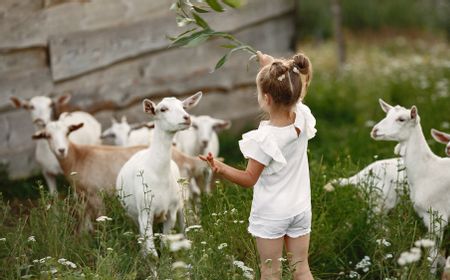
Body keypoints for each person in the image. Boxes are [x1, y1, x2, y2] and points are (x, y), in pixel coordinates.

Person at [199, 51, 316, 279]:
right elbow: (292, 93)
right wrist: (270, 65)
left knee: (271, 272)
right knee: (301, 269)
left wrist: (220, 168)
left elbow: (248, 178)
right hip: (300, 209)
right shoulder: (301, 116)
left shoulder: (265, 139)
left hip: (272, 213)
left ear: (267, 99)